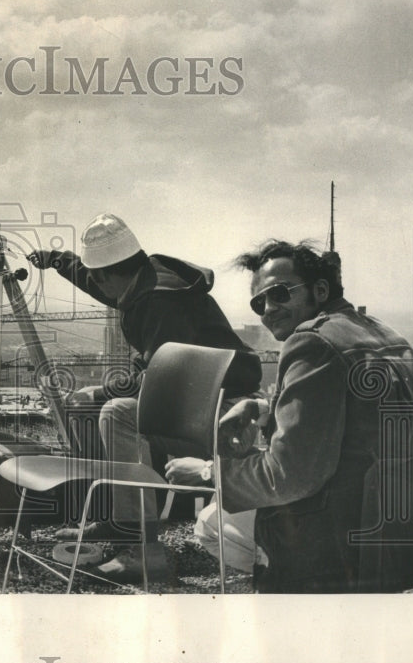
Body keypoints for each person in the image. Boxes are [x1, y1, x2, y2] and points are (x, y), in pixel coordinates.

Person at [167, 239, 413, 592]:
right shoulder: (388, 334)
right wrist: (265, 410)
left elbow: (290, 476)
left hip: (345, 542)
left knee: (211, 521)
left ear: (320, 289)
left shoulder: (311, 343)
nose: (267, 309)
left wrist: (208, 472)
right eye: (258, 302)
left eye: (279, 293)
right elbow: (360, 417)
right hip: (412, 532)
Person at [27, 213, 261, 583]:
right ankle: (120, 522)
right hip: (200, 397)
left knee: (116, 411)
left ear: (113, 273)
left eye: (100, 278)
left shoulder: (158, 301)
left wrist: (104, 390)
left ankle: (143, 549)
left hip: (226, 408)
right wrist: (57, 260)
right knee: (90, 407)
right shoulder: (142, 277)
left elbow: (164, 379)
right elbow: (96, 282)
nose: (102, 290)